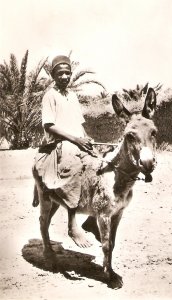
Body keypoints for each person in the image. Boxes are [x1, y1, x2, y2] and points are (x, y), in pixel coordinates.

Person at [33, 55, 95, 247]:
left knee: (99, 165)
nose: (65, 76)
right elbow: (49, 126)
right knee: (74, 167)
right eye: (60, 73)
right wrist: (76, 140)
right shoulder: (50, 96)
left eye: (67, 72)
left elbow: (80, 125)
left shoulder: (73, 96)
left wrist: (86, 140)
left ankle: (92, 220)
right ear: (53, 75)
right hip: (61, 144)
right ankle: (72, 224)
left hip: (77, 142)